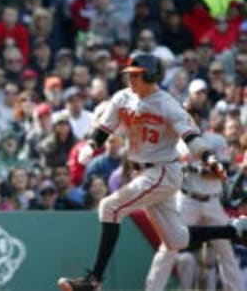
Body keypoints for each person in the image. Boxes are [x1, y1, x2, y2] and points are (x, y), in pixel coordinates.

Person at [57, 54, 247, 291]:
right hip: (145, 173)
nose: (130, 79)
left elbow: (191, 136)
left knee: (109, 207)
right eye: (129, 75)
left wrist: (209, 159)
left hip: (163, 171)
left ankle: (93, 280)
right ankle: (234, 230)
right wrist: (91, 146)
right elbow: (104, 127)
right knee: (176, 239)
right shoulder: (122, 98)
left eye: (136, 75)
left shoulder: (167, 104)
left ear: (151, 75)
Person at [145, 108, 244, 291]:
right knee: (169, 246)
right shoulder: (177, 144)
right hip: (187, 200)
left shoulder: (215, 140)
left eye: (191, 117)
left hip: (212, 201)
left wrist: (195, 169)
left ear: (199, 119)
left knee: (226, 251)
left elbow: (221, 171)